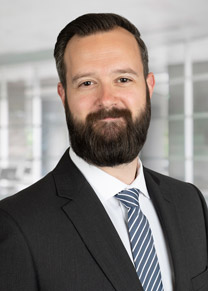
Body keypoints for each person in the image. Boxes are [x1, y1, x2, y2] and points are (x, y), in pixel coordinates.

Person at [0, 13, 207, 291]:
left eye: (123, 79)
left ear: (148, 87)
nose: (107, 100)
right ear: (64, 96)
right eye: (87, 83)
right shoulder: (17, 224)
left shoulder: (190, 202)